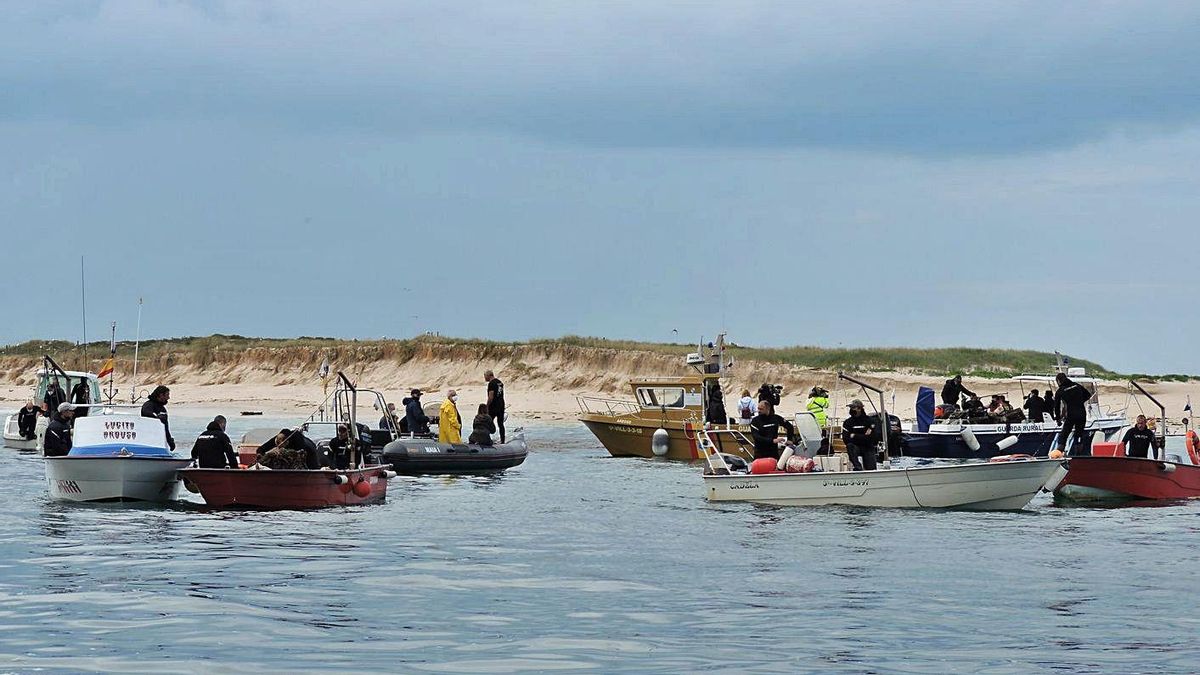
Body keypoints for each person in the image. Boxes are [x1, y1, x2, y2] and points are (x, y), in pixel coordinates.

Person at [1054, 373, 1093, 455]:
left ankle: (1058, 455)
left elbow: (1056, 407)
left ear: (1058, 381)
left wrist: (1058, 419)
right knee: (1078, 435)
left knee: (1063, 436)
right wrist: (1079, 402)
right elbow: (1088, 395)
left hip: (1071, 415)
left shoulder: (1060, 391)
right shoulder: (1076, 385)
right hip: (1082, 414)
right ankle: (1078, 457)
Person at [841, 399, 878, 471]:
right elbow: (846, 439)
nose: (851, 410)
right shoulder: (848, 422)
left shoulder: (870, 421)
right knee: (850, 446)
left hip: (868, 447)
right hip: (855, 447)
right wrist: (863, 437)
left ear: (860, 408)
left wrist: (854, 436)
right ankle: (858, 467)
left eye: (853, 408)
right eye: (851, 408)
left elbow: (872, 438)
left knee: (871, 469)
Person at [140, 385, 176, 451]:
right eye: (167, 395)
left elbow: (165, 428)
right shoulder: (148, 405)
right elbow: (146, 414)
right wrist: (157, 418)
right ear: (161, 395)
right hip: (147, 440)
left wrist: (170, 441)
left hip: (158, 442)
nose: (168, 398)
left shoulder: (162, 409)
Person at [485, 370, 506, 444]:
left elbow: (491, 396)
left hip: (493, 406)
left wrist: (487, 406)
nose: (484, 378)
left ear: (489, 375)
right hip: (501, 405)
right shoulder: (500, 383)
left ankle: (486, 439)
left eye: (485, 376)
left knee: (488, 422)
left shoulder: (491, 383)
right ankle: (503, 441)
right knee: (500, 424)